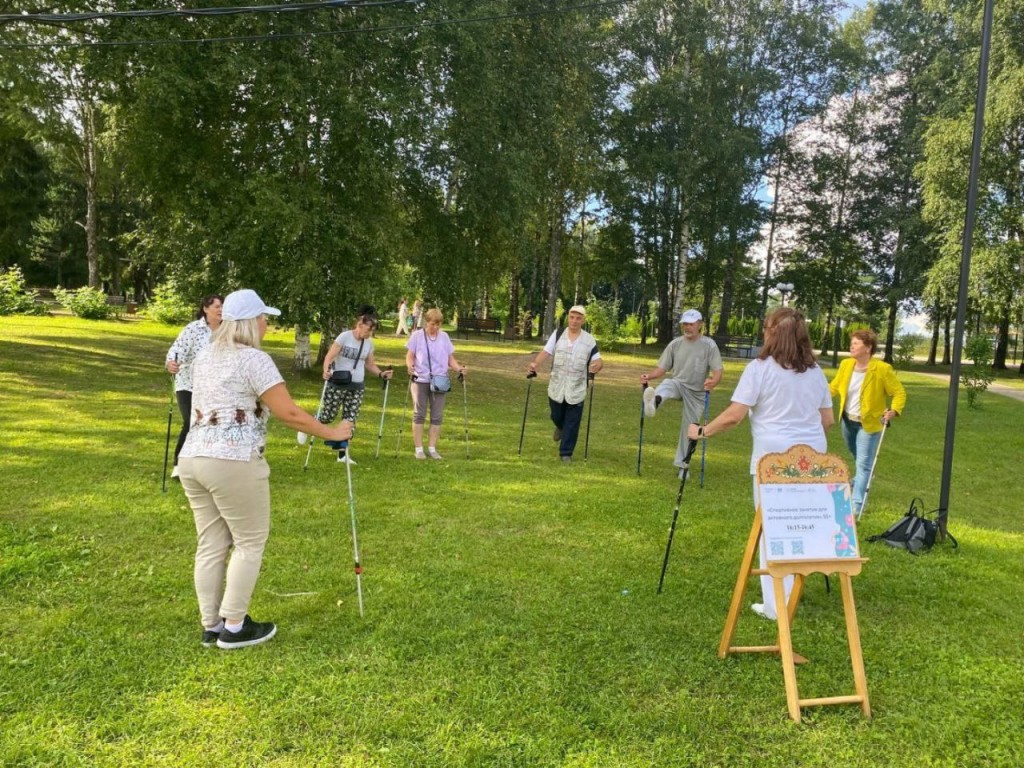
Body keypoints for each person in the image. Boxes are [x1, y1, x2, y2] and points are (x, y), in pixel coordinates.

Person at [178, 289, 353, 650]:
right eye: (263, 318)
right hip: (233, 460)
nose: (267, 324)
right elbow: (288, 413)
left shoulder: (206, 355)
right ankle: (235, 626)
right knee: (249, 541)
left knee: (211, 543)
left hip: (193, 458)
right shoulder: (254, 360)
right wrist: (332, 432)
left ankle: (211, 625)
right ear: (249, 322)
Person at [686, 308, 833, 621]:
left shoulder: (760, 368)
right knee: (802, 522)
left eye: (766, 327)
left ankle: (775, 606)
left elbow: (734, 415)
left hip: (773, 460)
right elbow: (827, 420)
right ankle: (791, 591)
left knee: (772, 529)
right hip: (813, 459)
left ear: (773, 333)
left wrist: (701, 432)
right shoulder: (815, 371)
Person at [297, 306, 393, 463]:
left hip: (357, 387)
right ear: (360, 325)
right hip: (337, 383)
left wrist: (381, 374)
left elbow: (369, 364)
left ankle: (342, 455)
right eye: (368, 330)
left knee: (350, 420)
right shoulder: (344, 337)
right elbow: (329, 356)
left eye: (371, 331)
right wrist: (326, 368)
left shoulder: (368, 344)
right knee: (327, 416)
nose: (369, 334)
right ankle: (305, 427)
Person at [828, 328, 906, 515]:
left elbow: (899, 392)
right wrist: (817, 399)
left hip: (869, 424)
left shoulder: (881, 369)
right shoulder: (846, 365)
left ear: (868, 347)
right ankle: (864, 476)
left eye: (856, 343)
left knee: (863, 464)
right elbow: (834, 387)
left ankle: (856, 505)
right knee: (858, 457)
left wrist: (894, 410)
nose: (851, 346)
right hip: (848, 420)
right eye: (852, 343)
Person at [640, 308, 723, 473]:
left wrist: (713, 381)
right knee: (667, 383)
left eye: (691, 324)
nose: (687, 327)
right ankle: (655, 401)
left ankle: (683, 464)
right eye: (685, 324)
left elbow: (718, 372)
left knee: (690, 428)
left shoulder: (709, 345)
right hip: (679, 384)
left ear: (699, 325)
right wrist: (648, 376)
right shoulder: (675, 344)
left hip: (697, 393)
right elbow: (662, 368)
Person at [527, 305, 604, 463]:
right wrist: (535, 364)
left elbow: (598, 359)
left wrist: (598, 365)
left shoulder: (589, 340)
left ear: (583, 320)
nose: (574, 321)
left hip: (577, 386)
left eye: (578, 318)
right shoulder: (558, 334)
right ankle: (560, 427)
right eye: (572, 317)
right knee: (556, 415)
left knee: (573, 421)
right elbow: (546, 352)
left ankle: (566, 453)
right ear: (568, 317)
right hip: (557, 385)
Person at [165, 295, 223, 479]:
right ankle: (178, 465)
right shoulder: (193, 329)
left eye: (223, 307)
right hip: (188, 384)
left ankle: (207, 463)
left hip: (214, 385)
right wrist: (171, 364)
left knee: (212, 423)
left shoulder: (227, 330)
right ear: (205, 309)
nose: (221, 310)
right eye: (217, 306)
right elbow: (175, 351)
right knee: (191, 422)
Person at [405, 307, 466, 459]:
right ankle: (419, 449)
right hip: (420, 379)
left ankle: (432, 448)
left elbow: (450, 359)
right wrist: (409, 365)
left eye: (438, 324)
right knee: (419, 413)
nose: (436, 327)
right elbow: (410, 356)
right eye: (433, 324)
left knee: (437, 415)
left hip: (440, 380)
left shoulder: (444, 337)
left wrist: (459, 369)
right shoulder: (417, 336)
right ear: (427, 322)